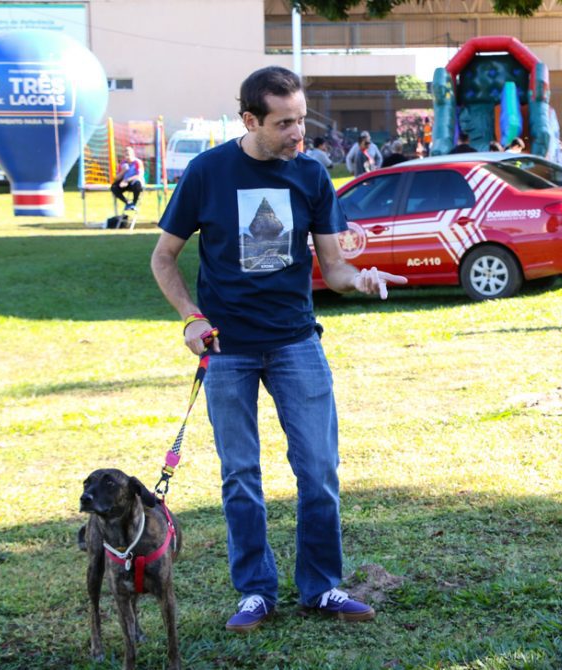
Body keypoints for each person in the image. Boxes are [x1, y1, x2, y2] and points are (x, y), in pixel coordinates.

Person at [150, 66, 407, 634]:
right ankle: (255, 592)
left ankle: (321, 587)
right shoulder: (207, 172)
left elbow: (335, 268)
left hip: (296, 343)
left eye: (301, 119)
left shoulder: (312, 175)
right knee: (240, 474)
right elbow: (163, 258)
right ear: (250, 120)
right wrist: (192, 318)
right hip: (230, 350)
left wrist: (358, 280)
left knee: (318, 470)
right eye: (284, 123)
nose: (299, 134)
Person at [110, 146, 145, 211]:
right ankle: (127, 202)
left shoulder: (137, 162)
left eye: (128, 154)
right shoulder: (123, 164)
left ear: (133, 154)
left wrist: (127, 180)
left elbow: (139, 175)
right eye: (126, 154)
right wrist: (123, 171)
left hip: (135, 183)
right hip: (125, 184)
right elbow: (117, 178)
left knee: (137, 184)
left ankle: (134, 203)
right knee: (114, 187)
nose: (127, 156)